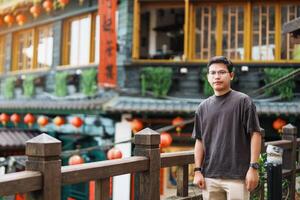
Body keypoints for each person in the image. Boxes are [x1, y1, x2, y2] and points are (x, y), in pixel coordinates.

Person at [192, 56, 262, 200]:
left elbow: (255, 134)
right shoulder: (202, 107)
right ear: (207, 77)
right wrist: (197, 170)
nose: (216, 76)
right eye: (212, 73)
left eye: (221, 72)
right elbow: (199, 140)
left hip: (237, 175)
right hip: (210, 176)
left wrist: (253, 168)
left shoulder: (243, 101)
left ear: (231, 75)